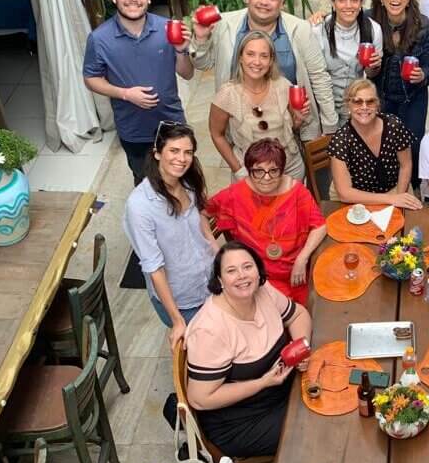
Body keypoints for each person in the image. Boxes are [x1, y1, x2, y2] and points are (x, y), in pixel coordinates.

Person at [185, 241, 313, 458]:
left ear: (258, 270)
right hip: (241, 419)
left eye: (247, 267)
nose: (242, 276)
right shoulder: (210, 329)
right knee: (310, 428)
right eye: (231, 271)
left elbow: (298, 314)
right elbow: (200, 399)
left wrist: (300, 347)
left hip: (278, 391)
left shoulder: (263, 291)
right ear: (220, 280)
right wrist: (262, 382)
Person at [190, 0, 336, 141]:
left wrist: (330, 125)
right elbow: (203, 64)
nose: (264, 2)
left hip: (292, 124)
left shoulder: (300, 29)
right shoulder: (225, 24)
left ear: (281, 2)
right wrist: (201, 38)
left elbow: (319, 76)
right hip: (240, 128)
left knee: (292, 166)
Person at [83, 0, 193, 185]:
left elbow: (187, 73)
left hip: (173, 123)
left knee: (182, 180)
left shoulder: (167, 28)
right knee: (146, 184)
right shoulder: (99, 39)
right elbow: (91, 78)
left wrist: (181, 50)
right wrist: (124, 94)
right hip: (134, 130)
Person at [123, 122, 217, 348]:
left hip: (210, 282)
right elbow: (154, 267)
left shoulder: (187, 181)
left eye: (188, 152)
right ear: (157, 153)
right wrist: (177, 320)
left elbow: (200, 217)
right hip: (183, 300)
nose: (182, 159)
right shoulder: (140, 206)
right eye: (174, 151)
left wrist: (218, 251)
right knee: (207, 351)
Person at [206, 139, 327, 306]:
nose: (267, 177)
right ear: (249, 171)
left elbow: (320, 226)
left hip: (298, 272)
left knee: (318, 307)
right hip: (260, 278)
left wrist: (302, 259)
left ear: (282, 170)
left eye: (273, 171)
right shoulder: (235, 194)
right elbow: (202, 212)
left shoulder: (297, 192)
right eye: (258, 171)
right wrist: (215, 246)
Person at [208, 31, 309, 181]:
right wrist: (238, 169)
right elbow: (217, 135)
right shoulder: (227, 95)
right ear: (240, 57)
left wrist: (298, 120)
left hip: (290, 169)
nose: (257, 62)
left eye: (264, 56)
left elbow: (289, 128)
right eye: (250, 54)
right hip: (250, 171)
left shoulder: (283, 85)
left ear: (271, 61)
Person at [369, 0, 429, 186]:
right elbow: (343, 18)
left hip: (412, 98)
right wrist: (321, 17)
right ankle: (384, 187)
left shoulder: (424, 27)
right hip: (381, 96)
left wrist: (422, 75)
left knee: (413, 145)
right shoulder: (369, 21)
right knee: (381, 144)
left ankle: (412, 188)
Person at [327, 79, 422, 209]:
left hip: (395, 188)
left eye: (370, 101)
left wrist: (398, 198)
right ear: (348, 105)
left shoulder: (394, 126)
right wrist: (390, 200)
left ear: (377, 104)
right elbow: (345, 193)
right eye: (357, 101)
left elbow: (406, 165)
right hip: (356, 197)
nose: (364, 107)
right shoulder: (340, 140)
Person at [310, 0, 383, 122]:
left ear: (362, 2)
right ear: (333, 2)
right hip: (321, 110)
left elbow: (370, 74)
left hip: (355, 111)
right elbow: (314, 76)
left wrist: (374, 66)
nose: (348, 5)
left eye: (354, 0)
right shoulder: (318, 29)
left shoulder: (373, 29)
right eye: (341, 0)